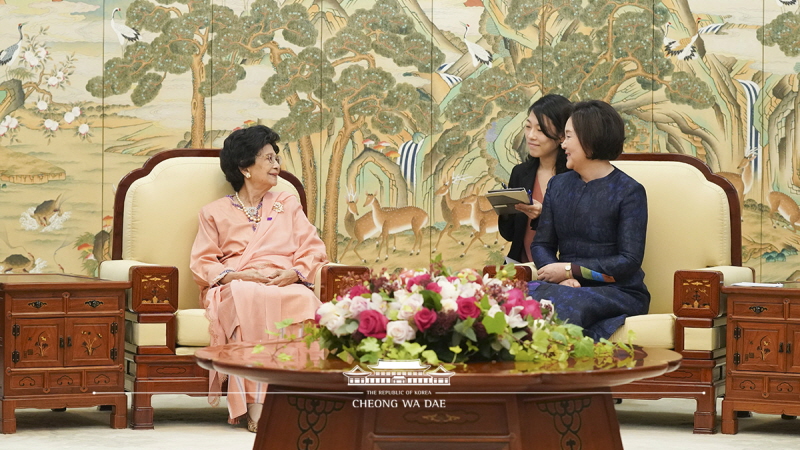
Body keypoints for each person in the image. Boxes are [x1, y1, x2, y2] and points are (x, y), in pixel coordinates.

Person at [189, 125, 328, 431]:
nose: (276, 164)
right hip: (237, 283)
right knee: (246, 296)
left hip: (284, 281)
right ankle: (257, 406)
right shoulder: (213, 212)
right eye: (268, 158)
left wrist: (296, 272)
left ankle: (304, 402)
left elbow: (313, 247)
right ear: (245, 168)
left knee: (305, 301)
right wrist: (238, 275)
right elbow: (202, 262)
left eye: (276, 157)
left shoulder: (287, 204)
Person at [529, 100, 649, 340]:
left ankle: (557, 373)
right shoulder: (558, 185)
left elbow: (628, 261)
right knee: (508, 296)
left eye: (569, 137)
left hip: (617, 289)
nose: (563, 144)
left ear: (589, 139)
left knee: (564, 305)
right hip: (565, 288)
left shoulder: (629, 191)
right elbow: (541, 244)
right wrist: (562, 279)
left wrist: (569, 271)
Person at [498, 94, 572, 264]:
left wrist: (543, 216)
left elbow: (576, 237)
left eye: (540, 130)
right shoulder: (520, 172)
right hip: (520, 267)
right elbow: (509, 235)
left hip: (559, 272)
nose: (531, 136)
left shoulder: (572, 178)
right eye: (528, 127)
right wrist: (505, 210)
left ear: (562, 135)